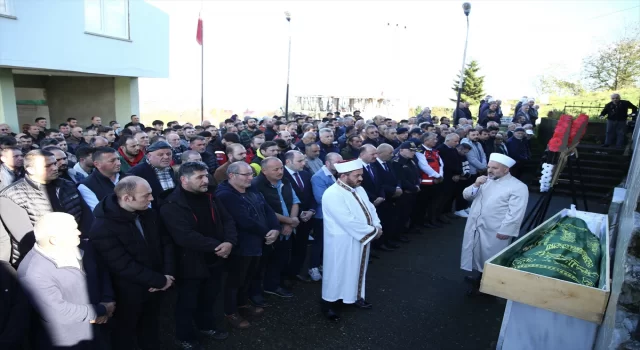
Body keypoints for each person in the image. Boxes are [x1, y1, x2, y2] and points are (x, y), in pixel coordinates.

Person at [89, 176, 175, 350]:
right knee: (126, 333)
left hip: (156, 284)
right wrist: (160, 281)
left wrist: (168, 274)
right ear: (127, 198)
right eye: (146, 195)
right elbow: (121, 264)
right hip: (128, 292)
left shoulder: (148, 213)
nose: (152, 199)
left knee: (151, 327)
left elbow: (166, 242)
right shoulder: (102, 227)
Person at [161, 162, 236, 348]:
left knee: (210, 296)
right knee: (188, 302)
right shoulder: (171, 203)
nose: (206, 180)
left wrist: (230, 242)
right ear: (184, 180)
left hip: (216, 257)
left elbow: (227, 219)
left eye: (206, 176)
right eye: (199, 177)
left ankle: (206, 326)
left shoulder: (211, 196)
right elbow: (184, 236)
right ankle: (185, 336)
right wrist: (218, 246)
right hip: (190, 263)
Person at [17, 212, 115, 350]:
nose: (79, 232)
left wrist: (108, 299)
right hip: (70, 340)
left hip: (100, 329)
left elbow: (102, 272)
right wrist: (100, 310)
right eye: (73, 229)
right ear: (54, 240)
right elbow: (58, 312)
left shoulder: (85, 247)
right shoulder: (32, 272)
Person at [0, 150, 91, 267]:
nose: (54, 168)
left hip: (78, 250)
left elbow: (86, 217)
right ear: (30, 169)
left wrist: (82, 244)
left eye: (54, 163)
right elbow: (26, 237)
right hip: (41, 260)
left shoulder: (67, 185)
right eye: (47, 166)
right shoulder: (12, 195)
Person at [216, 162, 279, 329]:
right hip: (241, 246)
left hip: (257, 242)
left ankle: (243, 304)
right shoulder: (225, 195)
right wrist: (267, 233)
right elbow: (244, 221)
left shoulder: (250, 188)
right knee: (235, 280)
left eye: (251, 174)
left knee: (249, 276)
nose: (251, 177)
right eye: (246, 174)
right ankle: (230, 312)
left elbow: (267, 210)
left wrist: (275, 228)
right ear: (232, 176)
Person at [321, 159, 382, 321]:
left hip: (359, 239)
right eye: (357, 175)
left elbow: (371, 208)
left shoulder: (359, 189)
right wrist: (373, 232)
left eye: (361, 175)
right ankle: (329, 305)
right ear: (343, 175)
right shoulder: (332, 194)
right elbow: (347, 220)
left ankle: (353, 297)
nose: (361, 178)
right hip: (341, 243)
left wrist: (377, 225)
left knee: (356, 269)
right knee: (337, 272)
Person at [460, 153, 528, 295]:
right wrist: (476, 184)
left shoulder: (518, 187)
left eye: (495, 168)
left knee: (492, 258)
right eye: (489, 167)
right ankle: (479, 279)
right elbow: (467, 195)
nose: (490, 171)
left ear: (506, 170)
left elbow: (516, 212)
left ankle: (488, 288)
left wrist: (507, 230)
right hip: (476, 226)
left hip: (495, 230)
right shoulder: (485, 180)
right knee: (477, 253)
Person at [251, 157, 300, 298]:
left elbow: (295, 201)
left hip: (287, 227)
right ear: (264, 171)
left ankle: (275, 283)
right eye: (276, 169)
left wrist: (290, 222)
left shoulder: (285, 181)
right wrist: (290, 221)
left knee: (282, 258)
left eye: (281, 168)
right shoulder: (256, 185)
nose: (280, 172)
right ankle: (264, 288)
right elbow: (266, 210)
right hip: (270, 230)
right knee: (265, 262)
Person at [282, 151, 317, 282]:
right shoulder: (281, 175)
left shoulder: (306, 174)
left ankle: (296, 272)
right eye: (300, 161)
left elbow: (312, 195)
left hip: (307, 218)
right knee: (286, 250)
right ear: (288, 162)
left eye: (304, 160)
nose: (304, 163)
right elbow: (284, 199)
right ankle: (284, 277)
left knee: (301, 247)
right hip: (290, 218)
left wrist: (312, 210)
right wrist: (300, 212)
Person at [309, 152, 342, 282]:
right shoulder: (319, 177)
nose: (340, 165)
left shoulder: (336, 174)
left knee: (328, 242)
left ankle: (322, 264)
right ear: (327, 163)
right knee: (319, 242)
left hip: (333, 215)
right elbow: (321, 198)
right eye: (337, 162)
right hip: (322, 216)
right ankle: (313, 267)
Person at [127, 141, 176, 209]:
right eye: (160, 154)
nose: (166, 157)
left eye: (169, 154)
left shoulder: (173, 170)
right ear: (149, 156)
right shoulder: (137, 172)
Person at [413, 132, 447, 229]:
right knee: (423, 204)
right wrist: (436, 175)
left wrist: (440, 175)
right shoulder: (420, 151)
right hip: (426, 183)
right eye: (433, 139)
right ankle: (421, 222)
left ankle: (431, 220)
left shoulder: (434, 151)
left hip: (436, 181)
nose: (436, 141)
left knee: (434, 202)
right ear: (426, 140)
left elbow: (441, 164)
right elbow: (424, 166)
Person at [78, 147, 125, 212]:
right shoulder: (86, 186)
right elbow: (99, 212)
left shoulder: (129, 177)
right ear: (97, 164)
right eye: (112, 161)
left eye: (118, 159)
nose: (118, 163)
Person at [390, 141, 420, 240]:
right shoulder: (397, 162)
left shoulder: (411, 160)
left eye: (414, 151)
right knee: (401, 215)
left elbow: (416, 174)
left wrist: (417, 184)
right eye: (410, 150)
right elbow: (400, 179)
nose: (413, 153)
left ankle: (405, 230)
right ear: (401, 150)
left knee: (408, 213)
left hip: (413, 191)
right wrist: (413, 187)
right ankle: (397, 235)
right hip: (404, 193)